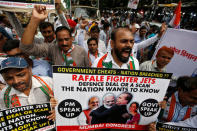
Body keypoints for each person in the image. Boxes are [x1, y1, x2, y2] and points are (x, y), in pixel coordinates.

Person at [20, 5, 89, 66]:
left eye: (66, 39)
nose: (64, 43)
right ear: (56, 39)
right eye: (60, 40)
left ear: (72, 38)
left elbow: (89, 72)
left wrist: (59, 11)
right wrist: (35, 19)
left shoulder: (82, 51)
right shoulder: (52, 49)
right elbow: (26, 48)